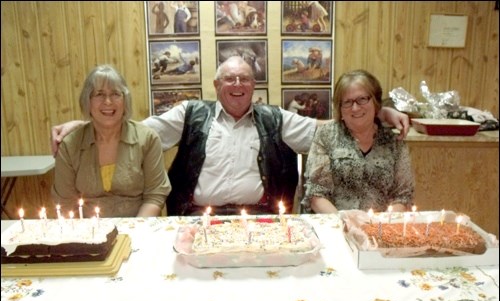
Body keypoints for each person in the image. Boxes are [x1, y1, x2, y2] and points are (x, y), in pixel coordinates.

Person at [51, 57, 410, 216]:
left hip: (263, 219)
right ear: (216, 85)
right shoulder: (189, 114)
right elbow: (137, 130)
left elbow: (328, 128)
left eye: (245, 79)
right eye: (229, 79)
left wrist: (378, 110)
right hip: (196, 218)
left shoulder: (275, 118)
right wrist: (84, 126)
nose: (237, 85)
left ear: (254, 87)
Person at [52, 65, 171, 218]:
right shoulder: (69, 145)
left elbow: (155, 195)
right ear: (87, 101)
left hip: (138, 229)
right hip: (87, 233)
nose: (108, 101)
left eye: (115, 94)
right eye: (99, 94)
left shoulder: (148, 139)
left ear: (125, 100)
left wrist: (133, 232)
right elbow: (65, 202)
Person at [302, 69, 415, 214]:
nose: (355, 108)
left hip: (380, 226)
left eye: (362, 99)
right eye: (347, 102)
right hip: (335, 224)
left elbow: (403, 196)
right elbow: (316, 194)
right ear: (340, 108)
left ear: (375, 102)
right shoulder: (326, 135)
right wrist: (345, 224)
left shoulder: (394, 142)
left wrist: (380, 226)